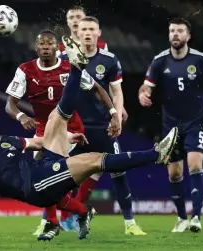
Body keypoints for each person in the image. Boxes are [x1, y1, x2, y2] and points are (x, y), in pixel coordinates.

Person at [0, 37, 179, 247]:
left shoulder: (3, 141)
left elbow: (37, 143)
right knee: (95, 160)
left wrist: (67, 137)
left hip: (41, 166)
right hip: (36, 187)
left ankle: (76, 69)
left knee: (55, 118)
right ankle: (157, 154)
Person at [4, 30, 119, 238]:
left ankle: (54, 222)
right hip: (42, 128)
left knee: (49, 177)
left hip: (69, 128)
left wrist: (113, 113)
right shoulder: (25, 70)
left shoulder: (69, 67)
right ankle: (76, 214)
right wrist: (21, 116)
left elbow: (98, 88)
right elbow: (9, 105)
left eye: (50, 43)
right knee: (42, 180)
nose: (46, 47)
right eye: (42, 44)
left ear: (58, 47)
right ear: (36, 48)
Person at [138, 17, 203, 233]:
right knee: (174, 174)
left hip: (195, 122)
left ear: (188, 36)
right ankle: (181, 217)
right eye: (172, 31)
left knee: (195, 164)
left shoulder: (201, 60)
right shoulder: (159, 61)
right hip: (170, 125)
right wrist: (143, 94)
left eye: (180, 31)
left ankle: (196, 216)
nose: (175, 34)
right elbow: (146, 85)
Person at [59, 16, 146, 235]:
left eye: (91, 29)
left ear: (99, 33)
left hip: (101, 127)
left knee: (118, 172)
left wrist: (116, 117)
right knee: (59, 175)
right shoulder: (64, 58)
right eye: (83, 29)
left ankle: (130, 224)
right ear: (77, 32)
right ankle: (53, 222)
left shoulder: (109, 60)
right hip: (73, 128)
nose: (87, 32)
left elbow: (116, 92)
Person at [57, 6, 129, 122]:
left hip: (97, 109)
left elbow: (108, 79)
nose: (75, 20)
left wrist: (118, 108)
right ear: (67, 21)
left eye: (78, 17)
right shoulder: (60, 49)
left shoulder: (101, 46)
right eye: (71, 17)